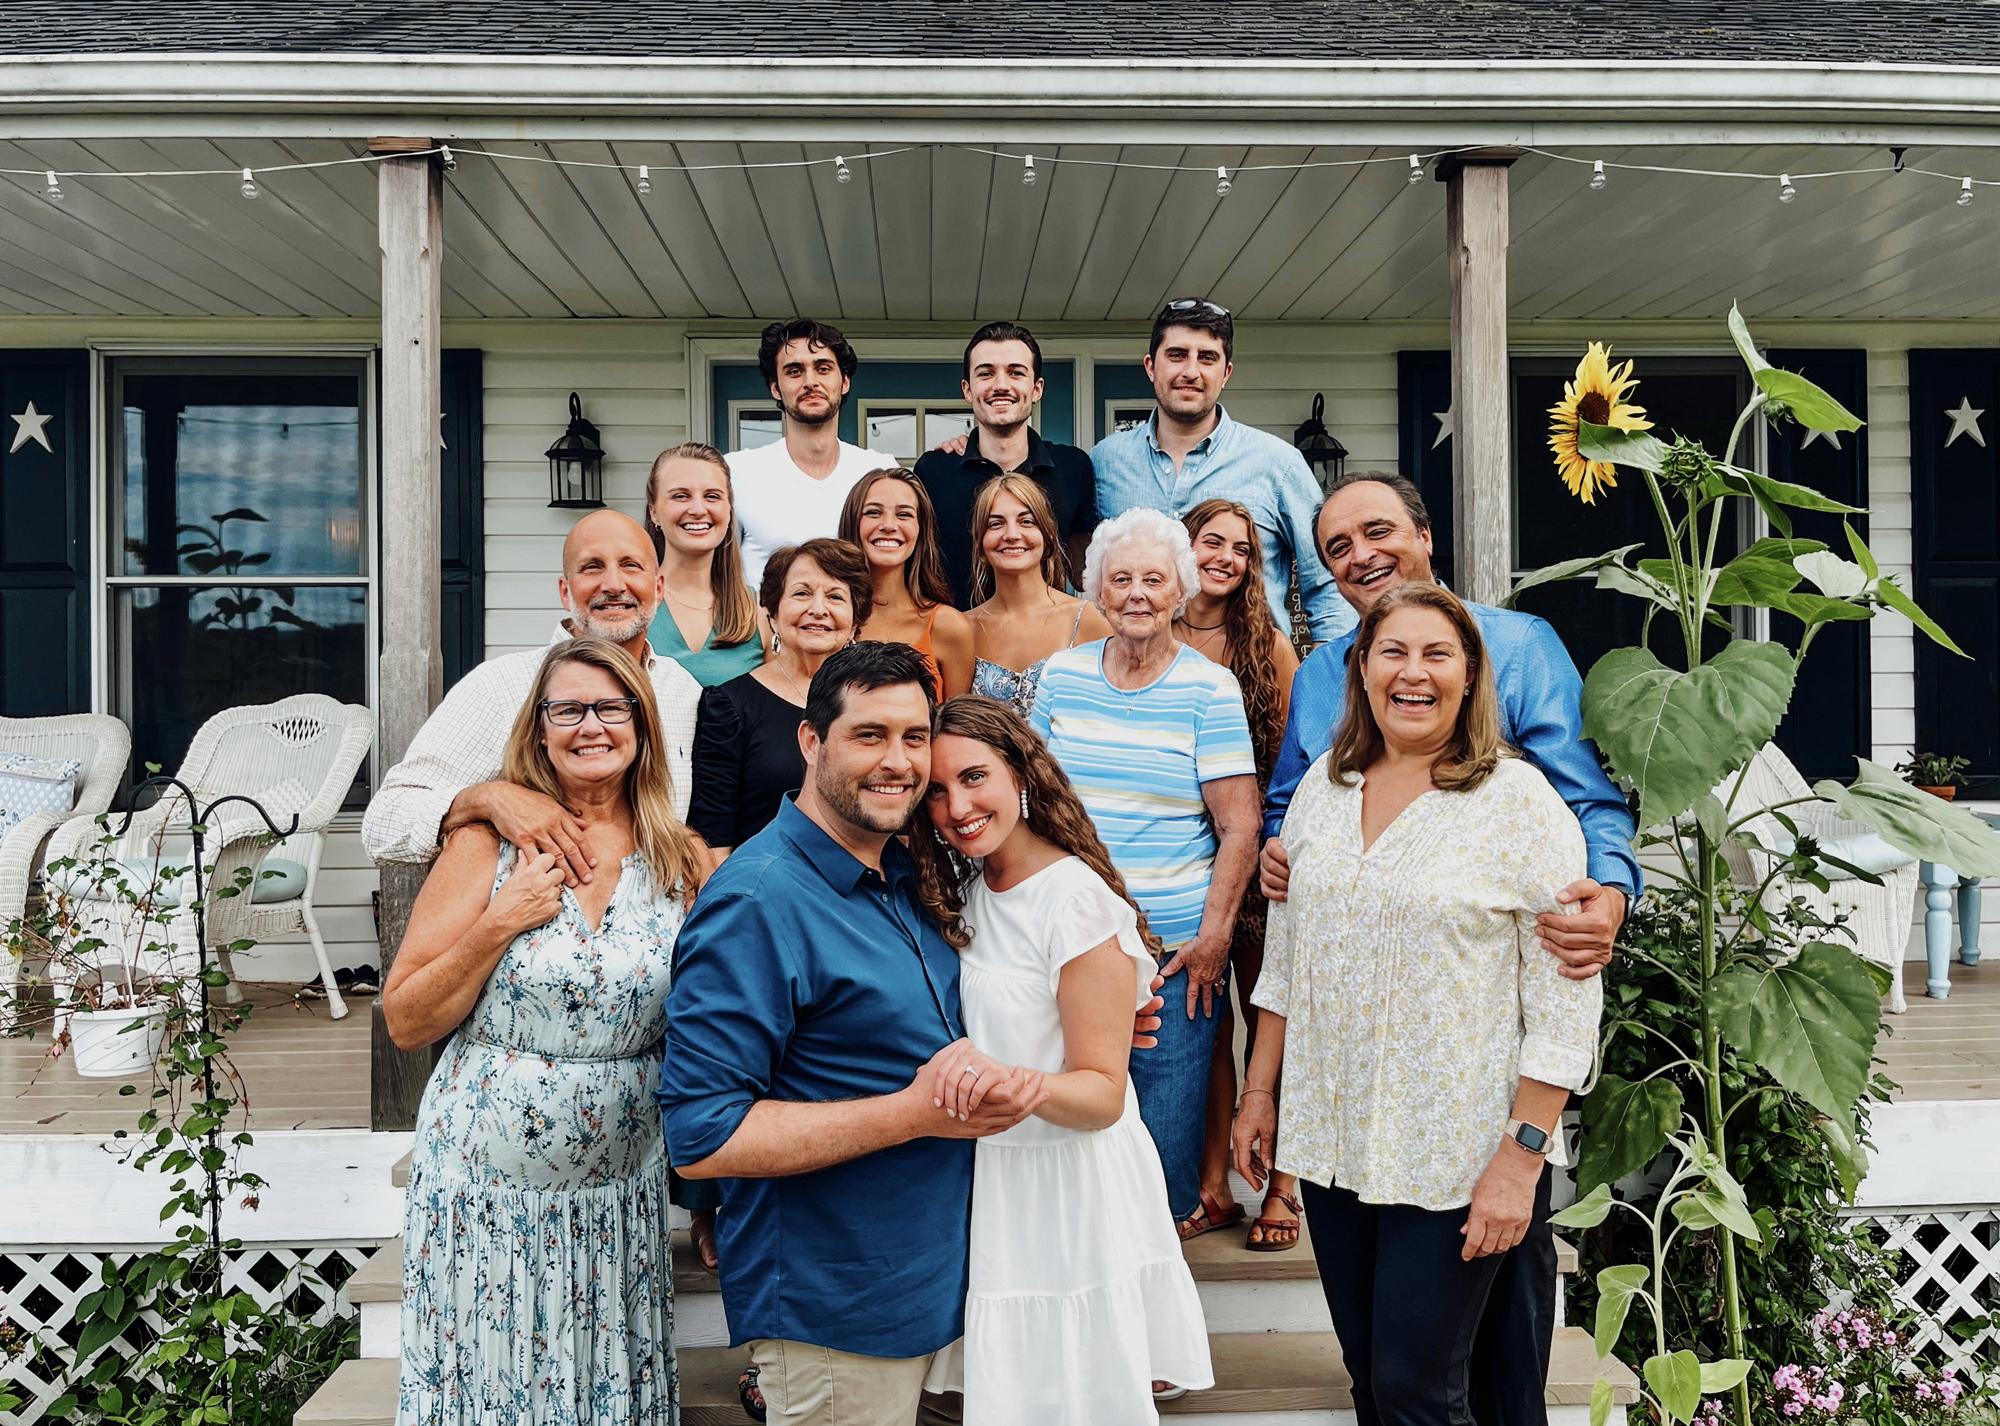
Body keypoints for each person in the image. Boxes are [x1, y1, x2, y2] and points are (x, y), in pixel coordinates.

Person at [661, 644, 1168, 1426]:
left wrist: (1083, 1021)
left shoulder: (909, 874)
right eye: (869, 735)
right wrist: (912, 1113)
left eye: (913, 737)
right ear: (810, 742)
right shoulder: (758, 902)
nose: (897, 761)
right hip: (840, 1311)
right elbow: (702, 1136)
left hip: (949, 1290)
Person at [1258, 472, 1637, 1421]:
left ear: (1473, 673)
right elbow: (1290, 942)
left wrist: (1611, 894)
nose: (1411, 671)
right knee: (1388, 1385)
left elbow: (1585, 818)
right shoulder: (1326, 776)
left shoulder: (1518, 785)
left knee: (1453, 1383)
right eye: (1337, 546)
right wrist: (1263, 1092)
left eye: (1435, 653)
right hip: (1344, 1133)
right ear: (1361, 668)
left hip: (1462, 1131)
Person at [385, 636, 708, 1426]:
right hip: (485, 1202)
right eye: (567, 709)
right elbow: (406, 1018)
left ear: (643, 726)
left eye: (611, 706)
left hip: (614, 1205)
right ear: (538, 729)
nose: (590, 725)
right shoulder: (486, 844)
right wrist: (499, 922)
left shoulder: (683, 862)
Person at [912, 695, 1212, 1420]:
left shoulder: (1073, 900)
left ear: (1020, 771)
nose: (957, 806)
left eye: (974, 777)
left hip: (1070, 1187)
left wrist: (1007, 1081)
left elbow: (1101, 1095)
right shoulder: (969, 890)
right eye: (937, 792)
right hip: (997, 1176)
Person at [1029, 506, 1260, 1239]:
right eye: (1120, 578)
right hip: (1073, 943)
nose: (1136, 593)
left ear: (1180, 592)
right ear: (1097, 590)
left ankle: (1150, 1302)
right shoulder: (1060, 679)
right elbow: (1032, 805)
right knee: (1071, 1122)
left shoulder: (1209, 689)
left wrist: (1216, 938)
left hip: (1174, 950)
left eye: (1153, 579)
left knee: (1162, 1139)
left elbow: (1239, 825)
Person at [363, 509, 701, 884]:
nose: (613, 584)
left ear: (658, 587)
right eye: (592, 567)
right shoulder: (502, 685)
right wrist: (490, 799)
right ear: (564, 590)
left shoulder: (683, 690)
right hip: (534, 921)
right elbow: (384, 824)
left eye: (631, 566)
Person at [1174, 499, 1303, 1253]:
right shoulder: (1150, 628)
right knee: (1206, 1021)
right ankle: (1213, 1186)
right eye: (1210, 542)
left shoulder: (1268, 645)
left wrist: (1274, 850)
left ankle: (1282, 1184)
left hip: (1256, 861)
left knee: (1268, 1019)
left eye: (1242, 549)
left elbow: (1289, 763)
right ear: (1182, 546)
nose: (1225, 556)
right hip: (1185, 860)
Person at [1090, 298, 1351, 643]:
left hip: (1250, 679)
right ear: (1151, 366)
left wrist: (1327, 680)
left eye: (1208, 358)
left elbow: (1327, 582)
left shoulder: (1278, 464)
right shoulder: (1105, 460)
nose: (1191, 371)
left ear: (1226, 372)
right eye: (1177, 355)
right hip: (1131, 681)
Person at [687, 537, 872, 858]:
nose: (818, 609)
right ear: (772, 612)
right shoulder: (729, 705)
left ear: (855, 621)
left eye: (835, 596)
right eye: (801, 594)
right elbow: (712, 838)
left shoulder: (876, 702)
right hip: (761, 896)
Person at [912, 321, 1098, 607]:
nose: (1000, 385)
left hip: (1049, 643)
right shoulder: (935, 471)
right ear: (967, 389)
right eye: (986, 373)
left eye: (1015, 373)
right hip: (955, 640)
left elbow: (1084, 575)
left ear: (1036, 389)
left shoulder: (1072, 467)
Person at [731, 318, 896, 586]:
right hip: (762, 628)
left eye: (823, 368)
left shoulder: (878, 471)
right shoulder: (738, 472)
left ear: (844, 382)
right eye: (795, 371)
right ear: (776, 388)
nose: (810, 381)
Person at [966, 474, 1110, 719]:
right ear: (979, 545)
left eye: (1027, 521)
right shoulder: (962, 628)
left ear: (1049, 537)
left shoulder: (1089, 619)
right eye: (996, 524)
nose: (1011, 534)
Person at [839, 468, 975, 699]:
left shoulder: (948, 626)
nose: (889, 525)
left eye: (904, 515)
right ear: (853, 522)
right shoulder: (828, 616)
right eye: (873, 513)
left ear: (921, 530)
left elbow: (956, 727)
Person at [645, 441, 767, 686]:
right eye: (681, 496)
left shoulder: (759, 613)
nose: (698, 509)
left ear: (729, 510)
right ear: (654, 512)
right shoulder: (631, 605)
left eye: (712, 496)